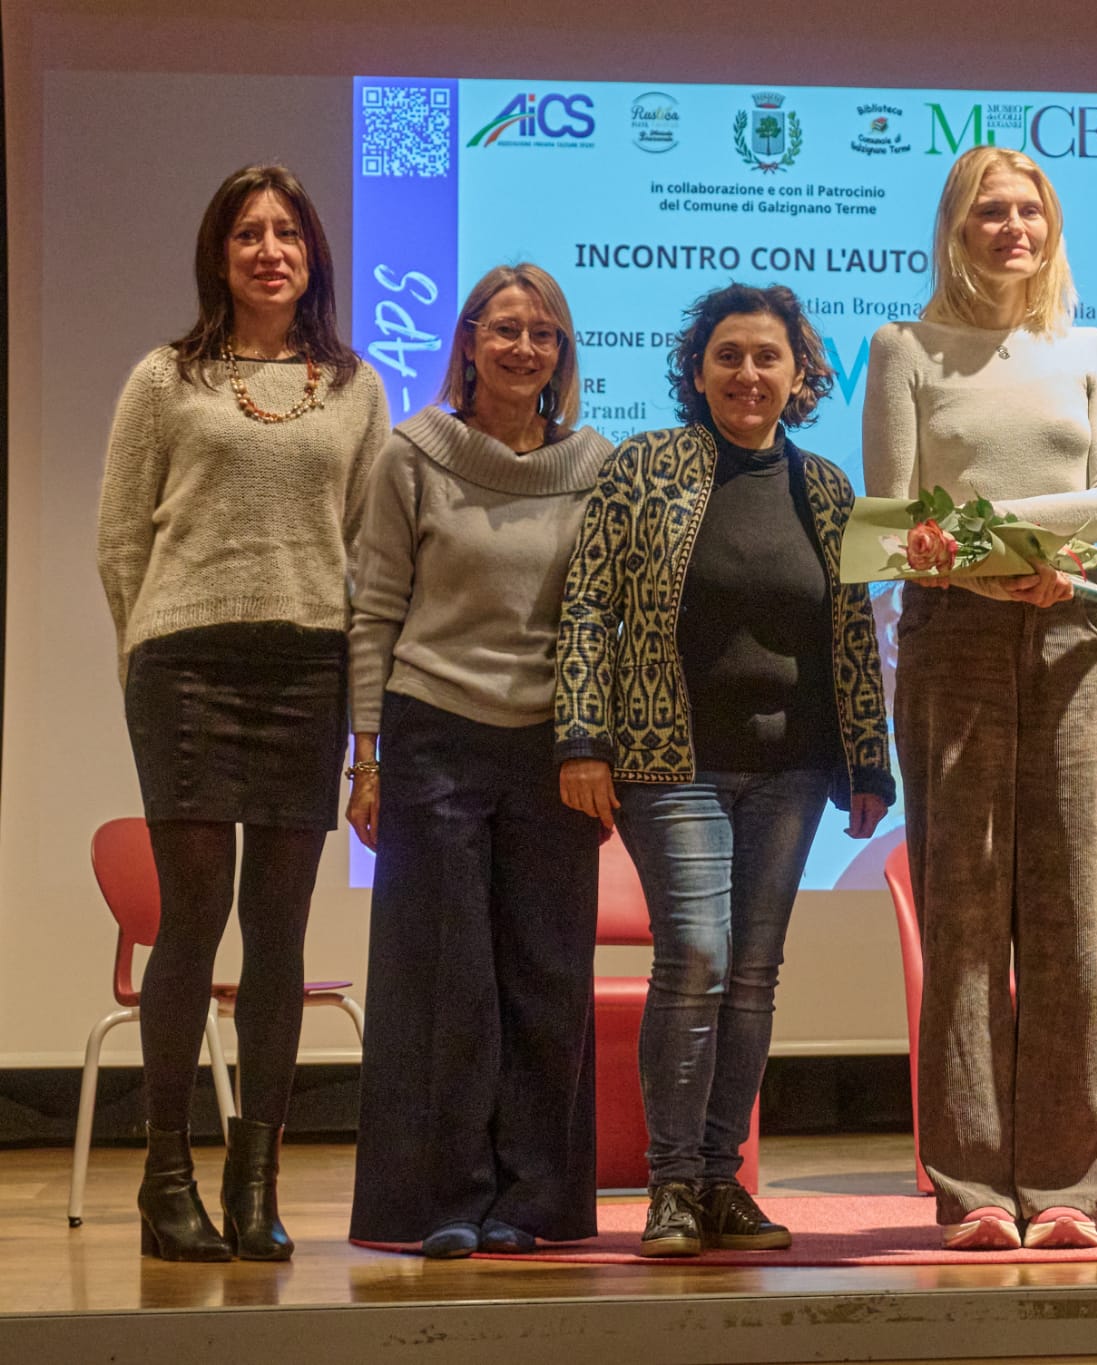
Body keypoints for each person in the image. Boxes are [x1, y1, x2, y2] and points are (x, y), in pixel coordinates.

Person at [557, 282, 893, 1258]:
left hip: (791, 771)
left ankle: (719, 1178)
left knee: (751, 974)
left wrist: (867, 761)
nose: (748, 373)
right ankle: (671, 1183)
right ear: (696, 372)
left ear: (799, 375)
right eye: (728, 356)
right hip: (672, 762)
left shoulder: (827, 489)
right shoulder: (642, 466)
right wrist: (581, 737)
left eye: (767, 357)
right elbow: (588, 604)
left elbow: (850, 634)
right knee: (697, 957)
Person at [95, 164, 388, 1261]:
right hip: (184, 666)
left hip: (307, 669)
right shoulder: (163, 378)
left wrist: (368, 727)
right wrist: (146, 648)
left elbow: (368, 560)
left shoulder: (355, 388)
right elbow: (120, 540)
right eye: (248, 234)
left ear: (313, 255)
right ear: (218, 257)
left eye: (288, 233)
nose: (270, 250)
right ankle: (165, 1180)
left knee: (279, 929)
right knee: (192, 917)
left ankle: (254, 1183)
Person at [863, 145, 1097, 1251]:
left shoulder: (1090, 347)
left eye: (1029, 210)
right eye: (990, 212)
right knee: (965, 916)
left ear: (1051, 225)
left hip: (1076, 636)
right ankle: (973, 1188)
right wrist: (990, 567)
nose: (1012, 227)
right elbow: (892, 522)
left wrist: (1011, 546)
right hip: (955, 642)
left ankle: (1070, 1186)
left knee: (1071, 916)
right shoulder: (904, 346)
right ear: (955, 227)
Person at [346, 264, 612, 1258]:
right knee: (442, 980)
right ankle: (439, 1203)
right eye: (503, 329)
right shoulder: (411, 453)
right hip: (434, 730)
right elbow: (375, 609)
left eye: (542, 334)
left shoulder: (596, 463)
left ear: (562, 353)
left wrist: (597, 741)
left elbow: (606, 616)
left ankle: (534, 1204)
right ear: (466, 342)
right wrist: (365, 759)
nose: (522, 348)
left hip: (555, 748)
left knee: (547, 977)